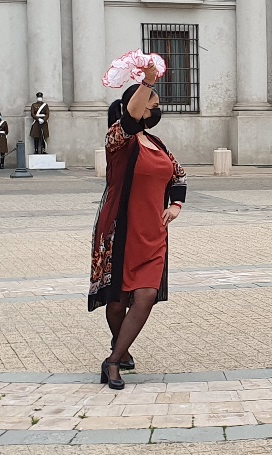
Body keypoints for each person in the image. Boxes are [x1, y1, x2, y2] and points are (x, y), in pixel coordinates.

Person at [88, 62, 187, 390]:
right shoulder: (118, 139)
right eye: (152, 104)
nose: (157, 108)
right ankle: (122, 347)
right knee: (117, 302)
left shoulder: (157, 144)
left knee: (144, 296)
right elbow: (129, 120)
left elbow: (178, 174)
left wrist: (175, 204)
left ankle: (113, 362)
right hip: (120, 233)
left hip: (153, 234)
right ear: (138, 105)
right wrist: (147, 81)